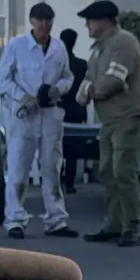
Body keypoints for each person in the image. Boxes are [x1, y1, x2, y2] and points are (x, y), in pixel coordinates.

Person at [0, 2, 74, 238]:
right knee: (19, 168)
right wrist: (23, 97)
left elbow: (68, 77)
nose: (44, 24)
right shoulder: (16, 46)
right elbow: (3, 80)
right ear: (31, 21)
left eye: (48, 20)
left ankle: (56, 218)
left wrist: (56, 90)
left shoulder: (59, 48)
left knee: (52, 166)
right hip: (24, 116)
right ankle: (15, 219)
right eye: (40, 20)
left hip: (50, 113)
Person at [78, 0, 140, 246]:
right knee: (108, 172)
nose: (87, 25)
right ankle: (114, 224)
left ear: (105, 20)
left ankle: (132, 226)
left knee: (124, 171)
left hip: (128, 117)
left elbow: (112, 82)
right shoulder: (98, 48)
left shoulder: (124, 42)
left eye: (90, 19)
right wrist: (90, 89)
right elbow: (87, 81)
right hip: (109, 120)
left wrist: (90, 90)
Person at [56, 27, 89, 192]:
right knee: (73, 150)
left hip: (59, 110)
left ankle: (56, 181)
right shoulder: (82, 65)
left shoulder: (56, 64)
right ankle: (69, 183)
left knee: (56, 148)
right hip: (76, 110)